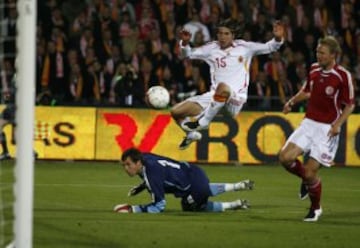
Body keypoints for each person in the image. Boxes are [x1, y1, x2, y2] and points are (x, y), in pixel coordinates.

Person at [170, 18, 285, 150]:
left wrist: (277, 38)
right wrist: (185, 43)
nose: (222, 37)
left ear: (233, 35)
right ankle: (191, 134)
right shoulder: (211, 48)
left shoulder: (245, 48)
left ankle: (204, 121)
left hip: (235, 99)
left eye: (226, 34)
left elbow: (270, 47)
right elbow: (188, 55)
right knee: (176, 112)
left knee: (223, 87)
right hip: (215, 96)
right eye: (220, 33)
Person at [278, 36, 355, 222]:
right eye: (317, 52)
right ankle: (306, 180)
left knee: (311, 172)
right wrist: (291, 102)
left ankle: (315, 208)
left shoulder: (342, 75)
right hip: (309, 123)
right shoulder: (313, 69)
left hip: (326, 129)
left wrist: (337, 124)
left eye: (322, 53)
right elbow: (306, 91)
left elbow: (350, 105)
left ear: (333, 55)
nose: (318, 55)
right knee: (285, 157)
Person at [113, 147, 254, 213]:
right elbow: (160, 172)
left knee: (189, 205)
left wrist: (134, 209)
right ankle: (238, 185)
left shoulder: (150, 173)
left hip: (192, 184)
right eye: (124, 165)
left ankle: (234, 204)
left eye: (128, 165)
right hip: (192, 170)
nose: (126, 168)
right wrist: (143, 186)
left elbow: (158, 206)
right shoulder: (145, 157)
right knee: (202, 190)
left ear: (138, 163)